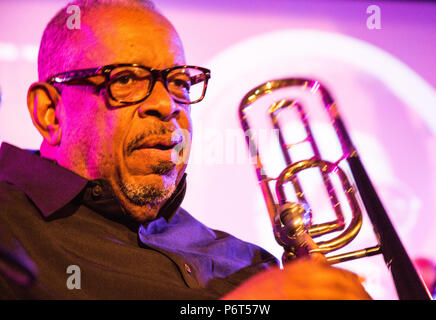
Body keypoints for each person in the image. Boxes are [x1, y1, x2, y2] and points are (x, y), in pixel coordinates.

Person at [0, 0, 370, 300]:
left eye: (179, 82)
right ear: (50, 111)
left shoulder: (248, 262)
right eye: (126, 79)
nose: (167, 104)